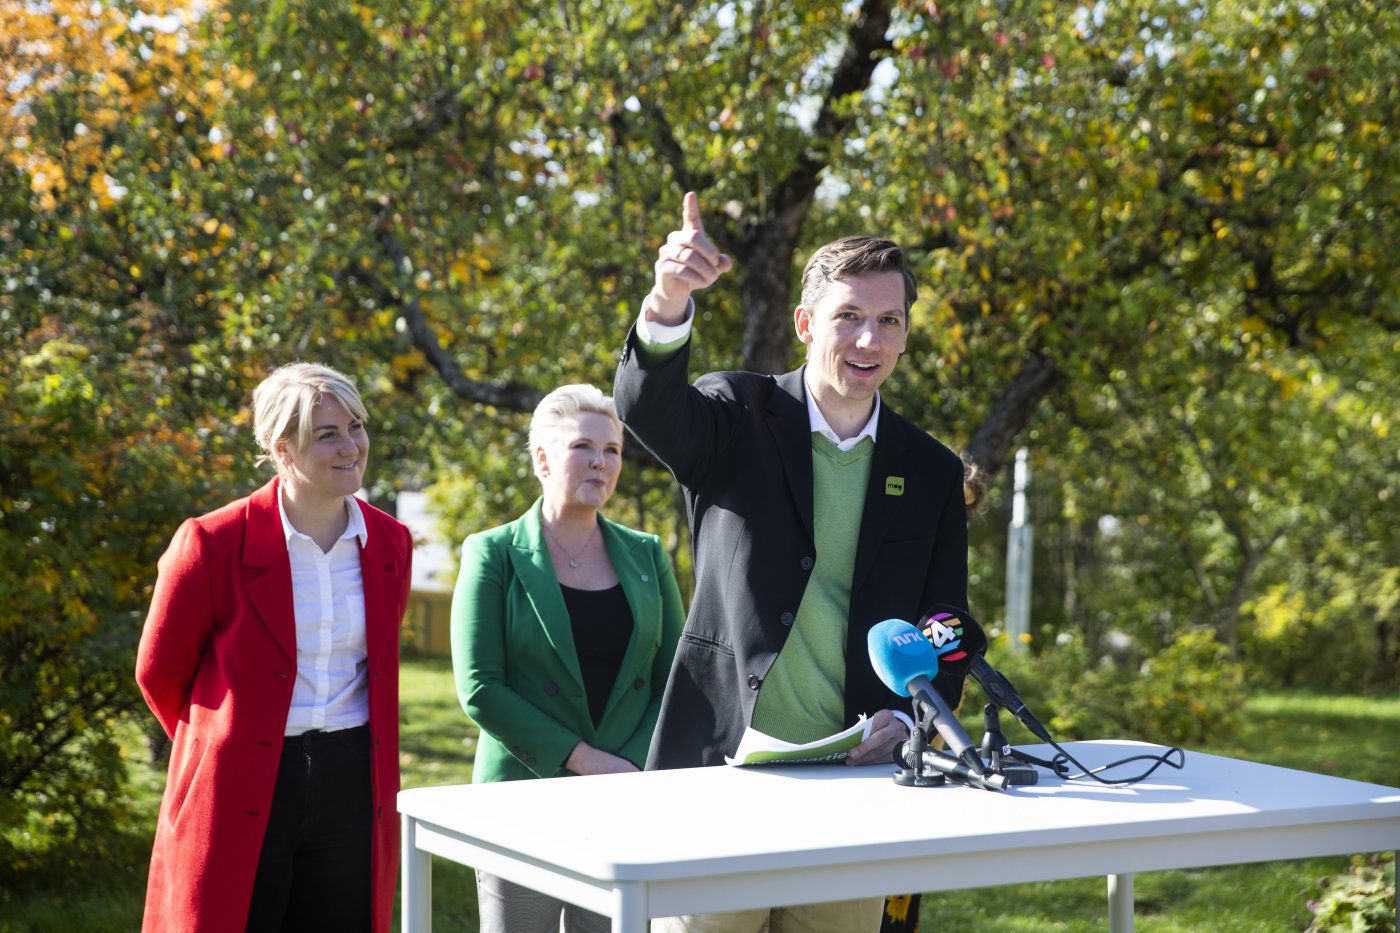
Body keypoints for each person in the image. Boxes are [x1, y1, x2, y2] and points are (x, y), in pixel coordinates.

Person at [614, 194, 971, 933]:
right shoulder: (735, 413)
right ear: (806, 324)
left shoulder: (931, 469)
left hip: (860, 783)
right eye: (849, 316)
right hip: (722, 772)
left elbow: (945, 623)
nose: (869, 338)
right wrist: (669, 298)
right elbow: (647, 406)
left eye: (890, 320)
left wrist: (913, 719)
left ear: (905, 336)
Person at [135, 363, 413, 933]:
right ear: (281, 449)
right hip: (240, 777)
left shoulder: (390, 541)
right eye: (327, 434)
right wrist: (221, 744)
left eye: (356, 427)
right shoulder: (211, 541)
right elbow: (159, 672)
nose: (351, 446)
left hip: (353, 780)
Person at [451, 383, 686, 933]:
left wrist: (629, 765)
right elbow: (480, 687)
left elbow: (677, 677)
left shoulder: (647, 554)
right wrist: (584, 761)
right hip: (521, 798)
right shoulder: (493, 553)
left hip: (623, 795)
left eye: (613, 450)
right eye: (583, 446)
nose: (601, 462)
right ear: (542, 458)